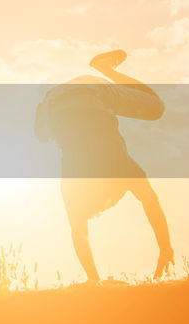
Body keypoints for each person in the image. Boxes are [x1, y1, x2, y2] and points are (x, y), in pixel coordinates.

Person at [35, 50, 174, 282]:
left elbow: (151, 202)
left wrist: (166, 248)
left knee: (156, 108)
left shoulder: (123, 170)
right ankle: (104, 69)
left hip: (86, 93)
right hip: (54, 101)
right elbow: (79, 233)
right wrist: (93, 279)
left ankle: (106, 71)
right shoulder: (74, 185)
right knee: (42, 135)